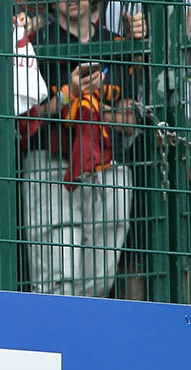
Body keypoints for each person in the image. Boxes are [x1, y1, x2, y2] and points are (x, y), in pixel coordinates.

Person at [22, 0, 137, 297]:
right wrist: (68, 96)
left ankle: (84, 328)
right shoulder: (36, 44)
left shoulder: (116, 44)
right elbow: (25, 119)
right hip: (51, 165)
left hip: (109, 168)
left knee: (101, 279)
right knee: (55, 280)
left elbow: (131, 120)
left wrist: (90, 109)